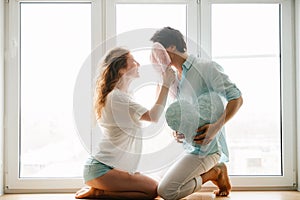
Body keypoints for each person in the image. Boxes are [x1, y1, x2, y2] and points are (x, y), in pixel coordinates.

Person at [150, 27, 243, 200]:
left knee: (166, 191)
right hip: (188, 148)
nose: (156, 58)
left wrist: (216, 127)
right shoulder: (174, 79)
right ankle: (215, 169)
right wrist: (177, 130)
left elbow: (236, 98)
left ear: (170, 47)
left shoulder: (206, 67)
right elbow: (182, 114)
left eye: (158, 51)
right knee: (151, 183)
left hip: (208, 149)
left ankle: (214, 172)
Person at [75, 47, 176, 199]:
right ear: (122, 70)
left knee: (154, 188)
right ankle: (100, 192)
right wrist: (166, 84)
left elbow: (155, 109)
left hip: (107, 168)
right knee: (154, 190)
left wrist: (163, 82)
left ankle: (101, 190)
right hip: (102, 169)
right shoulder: (117, 98)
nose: (139, 64)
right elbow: (153, 116)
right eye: (134, 61)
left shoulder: (123, 95)